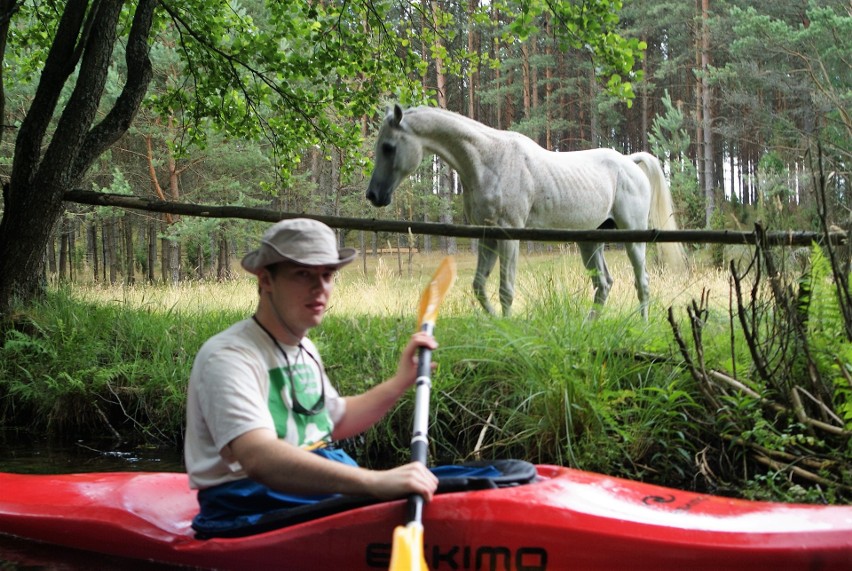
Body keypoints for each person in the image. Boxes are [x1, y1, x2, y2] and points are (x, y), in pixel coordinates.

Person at [184, 218, 439, 536]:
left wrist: (401, 380)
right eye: (303, 274)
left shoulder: (303, 348)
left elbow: (336, 420)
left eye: (327, 274)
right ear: (266, 280)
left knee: (488, 476)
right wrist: (374, 482)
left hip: (304, 491)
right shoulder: (228, 357)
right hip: (249, 504)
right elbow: (259, 458)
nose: (320, 287)